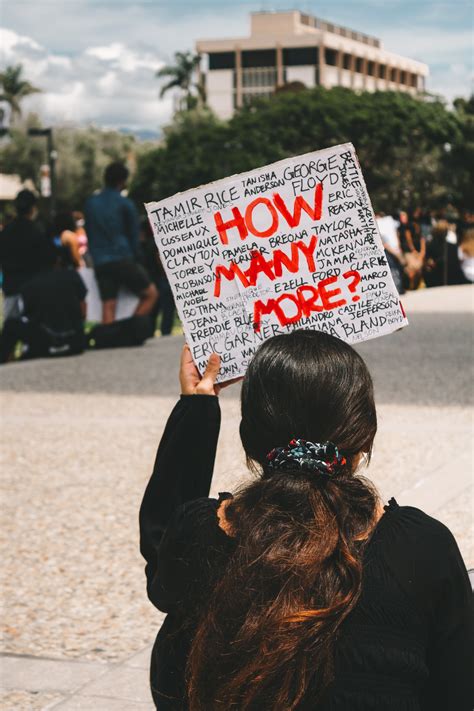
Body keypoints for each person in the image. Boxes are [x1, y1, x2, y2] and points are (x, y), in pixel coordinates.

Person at [140, 331, 473, 710]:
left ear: (249, 439)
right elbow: (460, 688)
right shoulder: (422, 549)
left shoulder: (198, 535)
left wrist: (197, 410)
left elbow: (162, 554)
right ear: (365, 438)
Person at [84, 162, 157, 324]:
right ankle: (129, 330)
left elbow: (88, 232)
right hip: (121, 258)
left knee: (108, 304)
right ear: (122, 181)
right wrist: (139, 259)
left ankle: (109, 339)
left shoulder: (90, 203)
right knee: (151, 294)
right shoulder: (125, 204)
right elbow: (134, 236)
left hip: (100, 260)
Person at [0, 264, 87, 363]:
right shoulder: (71, 275)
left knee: (11, 325)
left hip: (47, 344)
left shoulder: (29, 285)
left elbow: (29, 317)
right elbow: (83, 307)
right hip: (75, 342)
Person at [0, 189, 54, 320]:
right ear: (33, 208)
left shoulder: (7, 231)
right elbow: (48, 259)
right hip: (33, 288)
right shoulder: (38, 231)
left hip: (11, 286)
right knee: (32, 332)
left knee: (10, 331)